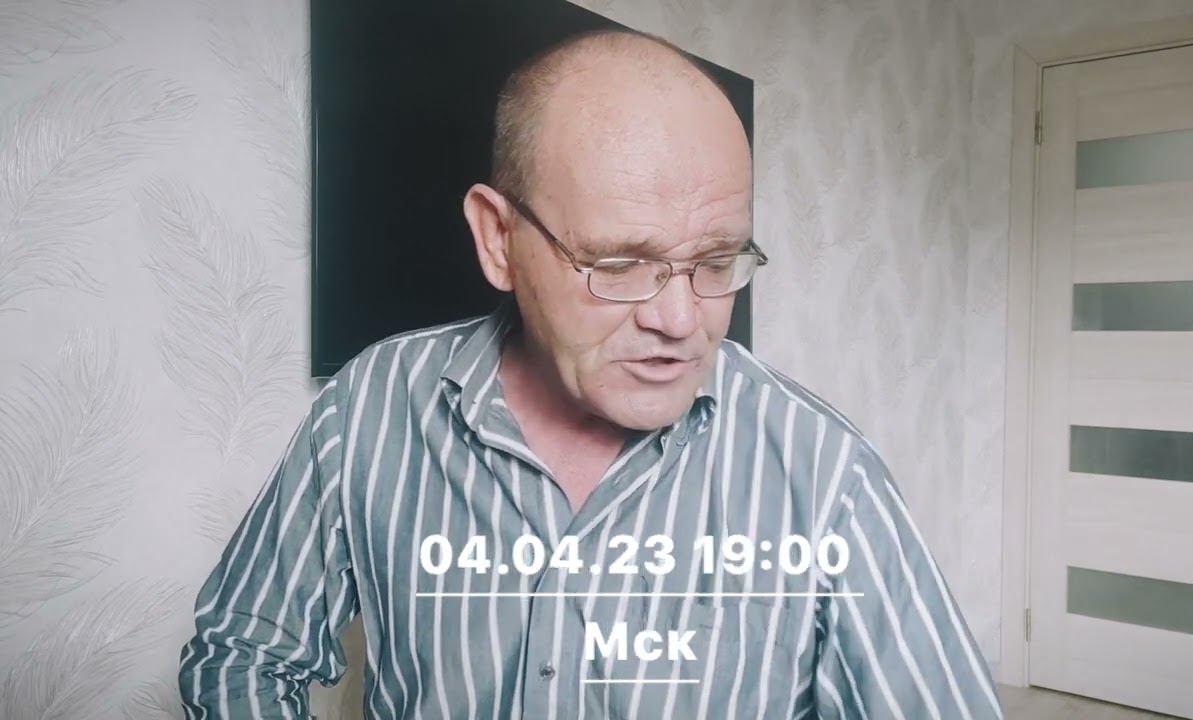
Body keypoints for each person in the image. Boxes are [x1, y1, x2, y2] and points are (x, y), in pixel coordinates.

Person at [178, 28, 1000, 720]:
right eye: (620, 263)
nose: (681, 320)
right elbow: (242, 653)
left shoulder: (827, 476)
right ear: (498, 239)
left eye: (717, 261)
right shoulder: (371, 405)